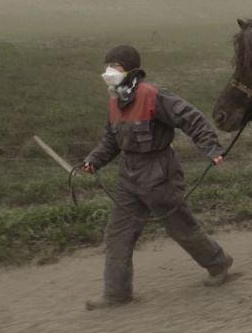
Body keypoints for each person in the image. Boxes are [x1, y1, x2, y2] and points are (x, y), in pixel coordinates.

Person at [81, 44, 233, 310]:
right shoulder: (114, 103)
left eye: (114, 67)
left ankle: (218, 263)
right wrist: (94, 160)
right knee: (117, 234)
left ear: (131, 71)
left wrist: (211, 148)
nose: (108, 73)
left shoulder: (153, 95)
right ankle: (116, 293)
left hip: (159, 173)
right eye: (106, 67)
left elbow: (192, 119)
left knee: (181, 228)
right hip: (129, 178)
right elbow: (110, 142)